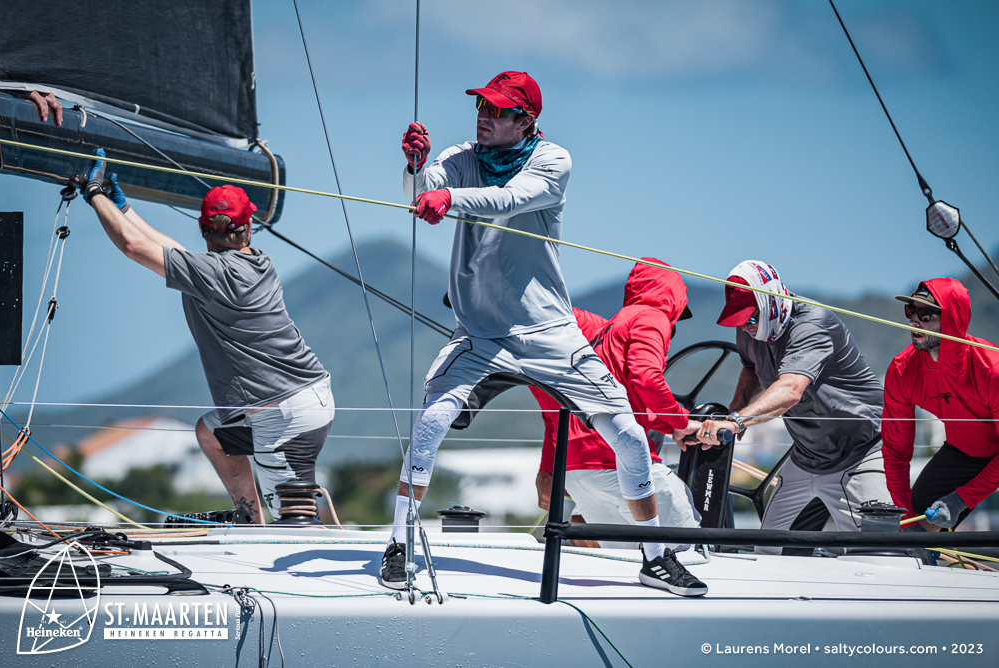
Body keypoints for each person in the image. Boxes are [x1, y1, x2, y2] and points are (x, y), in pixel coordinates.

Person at [382, 72, 706, 597]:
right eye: (481, 106)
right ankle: (399, 546)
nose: (484, 116)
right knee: (432, 423)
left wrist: (449, 201)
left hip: (549, 329)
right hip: (481, 330)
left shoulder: (553, 161)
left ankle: (655, 557)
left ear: (525, 120)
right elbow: (421, 194)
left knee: (626, 434)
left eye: (498, 110)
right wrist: (416, 168)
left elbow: (511, 200)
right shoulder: (463, 155)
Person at [82, 150, 335, 524]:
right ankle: (249, 518)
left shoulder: (214, 274)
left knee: (294, 526)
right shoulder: (256, 262)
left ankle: (279, 541)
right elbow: (175, 254)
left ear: (203, 230)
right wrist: (125, 209)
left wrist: (94, 194)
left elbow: (136, 247)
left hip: (284, 413)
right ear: (248, 229)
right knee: (212, 431)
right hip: (303, 398)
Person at [684, 260, 891, 554]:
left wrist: (737, 422)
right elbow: (751, 369)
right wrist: (732, 413)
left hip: (861, 453)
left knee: (877, 557)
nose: (747, 327)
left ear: (772, 302)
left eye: (751, 318)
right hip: (807, 457)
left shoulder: (813, 324)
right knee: (767, 553)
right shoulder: (748, 330)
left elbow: (790, 390)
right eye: (740, 321)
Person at [533, 260, 701, 550]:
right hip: (619, 463)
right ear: (674, 298)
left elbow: (620, 399)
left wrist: (668, 425)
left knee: (625, 568)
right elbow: (646, 379)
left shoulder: (601, 332)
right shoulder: (651, 316)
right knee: (689, 553)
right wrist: (683, 422)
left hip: (577, 473)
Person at [883, 279, 999, 531]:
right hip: (962, 453)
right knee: (909, 531)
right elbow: (895, 449)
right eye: (910, 311)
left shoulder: (992, 369)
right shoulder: (902, 370)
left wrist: (961, 500)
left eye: (924, 314)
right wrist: (904, 515)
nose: (914, 320)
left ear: (952, 319)